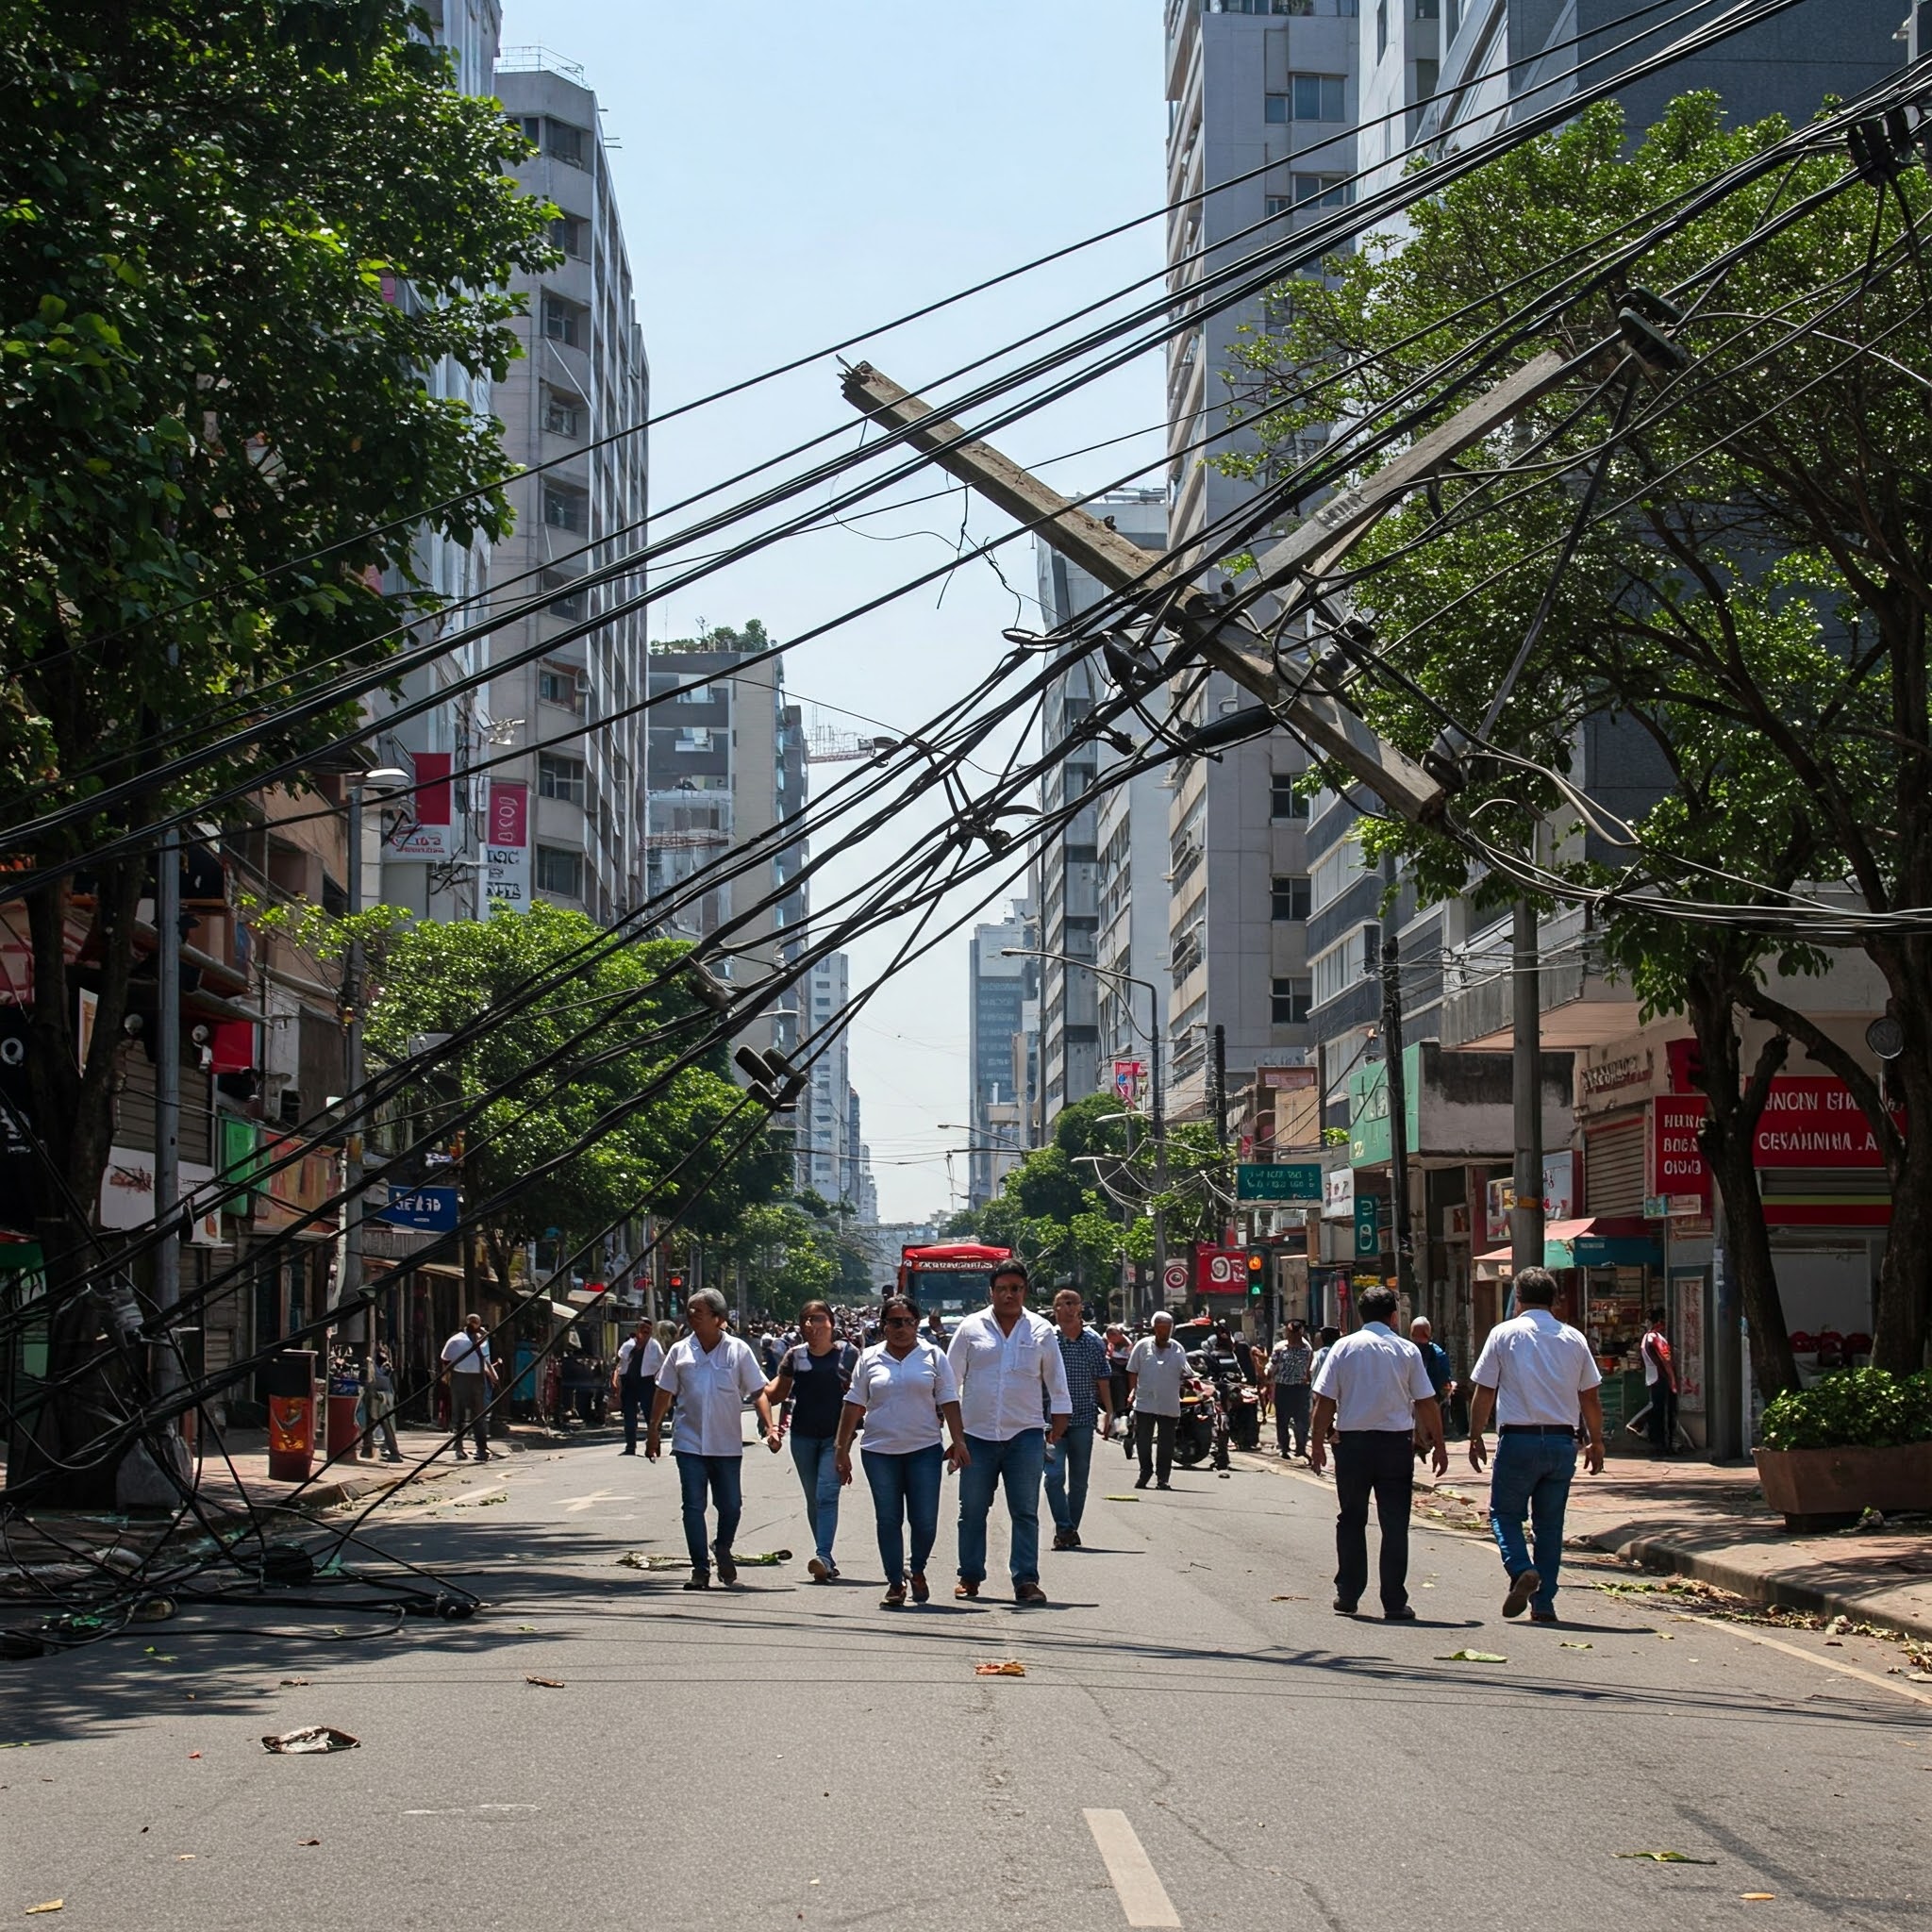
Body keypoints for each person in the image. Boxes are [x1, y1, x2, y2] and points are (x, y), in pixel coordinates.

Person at [1467, 1266, 1606, 1624]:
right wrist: (1597, 1441)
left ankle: (1520, 1569)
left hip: (1518, 1440)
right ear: (1554, 1300)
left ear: (1518, 1299)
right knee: (1550, 1526)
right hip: (1562, 1443)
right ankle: (1543, 1604)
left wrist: (1475, 1435)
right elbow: (1590, 1397)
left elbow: (1485, 1391)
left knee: (1504, 1514)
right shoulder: (1574, 1338)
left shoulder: (1503, 1334)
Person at [1309, 1286, 1447, 1621]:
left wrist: (1316, 1444)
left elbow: (1325, 1400)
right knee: (1395, 1524)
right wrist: (1440, 1445)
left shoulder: (1343, 1347)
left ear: (1360, 1315)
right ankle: (1394, 1601)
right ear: (1393, 1316)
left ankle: (1348, 1594)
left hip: (1352, 1446)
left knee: (1351, 1518)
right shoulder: (1407, 1350)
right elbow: (1426, 1402)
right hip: (1395, 1447)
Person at [946, 1261, 1071, 1604]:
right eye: (1002, 1288)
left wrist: (1061, 1416)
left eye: (1015, 1288)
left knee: (1025, 1510)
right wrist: (951, 1430)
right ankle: (970, 1575)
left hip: (1025, 1434)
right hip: (977, 1436)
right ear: (991, 1292)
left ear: (1024, 1291)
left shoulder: (1041, 1330)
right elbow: (949, 1380)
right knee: (972, 1510)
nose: (1009, 1294)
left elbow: (1055, 1378)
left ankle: (1026, 1580)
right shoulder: (970, 1328)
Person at [837, 1295, 970, 1607]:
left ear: (916, 1324)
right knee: (888, 1519)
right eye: (894, 1322)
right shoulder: (869, 1358)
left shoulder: (933, 1355)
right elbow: (853, 1403)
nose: (901, 1328)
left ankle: (917, 1568)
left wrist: (959, 1440)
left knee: (925, 1521)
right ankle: (895, 1582)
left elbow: (949, 1399)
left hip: (924, 1449)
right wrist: (840, 1448)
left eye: (908, 1322)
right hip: (879, 1451)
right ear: (883, 1326)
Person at [646, 1290, 780, 1590]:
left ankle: (722, 1546)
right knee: (693, 1506)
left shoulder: (738, 1351)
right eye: (690, 1310)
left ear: (718, 1319)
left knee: (731, 1506)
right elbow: (664, 1391)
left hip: (726, 1444)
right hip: (688, 1442)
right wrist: (653, 1430)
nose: (691, 1315)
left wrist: (770, 1427)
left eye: (699, 1311)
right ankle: (700, 1569)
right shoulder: (680, 1351)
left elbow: (758, 1391)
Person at [764, 1300, 858, 1582]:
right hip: (803, 1436)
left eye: (817, 1319)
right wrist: (757, 1393)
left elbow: (860, 1395)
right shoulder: (794, 1356)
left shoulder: (848, 1354)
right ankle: (826, 1559)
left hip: (835, 1438)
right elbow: (776, 1394)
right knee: (813, 1498)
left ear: (831, 1323)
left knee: (826, 1494)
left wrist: (849, 1439)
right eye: (805, 1320)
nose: (811, 1325)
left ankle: (823, 1556)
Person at [1044, 1289, 1113, 1550]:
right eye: (1064, 1303)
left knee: (1079, 1481)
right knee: (1053, 1477)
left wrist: (1109, 1412)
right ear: (1055, 1309)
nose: (1070, 1308)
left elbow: (1102, 1378)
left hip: (1084, 1419)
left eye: (1074, 1303)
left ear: (1081, 1307)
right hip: (1052, 1420)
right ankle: (1064, 1527)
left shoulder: (1093, 1342)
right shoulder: (1047, 1340)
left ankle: (1068, 1531)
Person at [1125, 1310, 1187, 1491]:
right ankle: (1145, 1471)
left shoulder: (1178, 1349)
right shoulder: (1142, 1346)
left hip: (1169, 1403)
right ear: (1154, 1329)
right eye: (1160, 1328)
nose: (1164, 1332)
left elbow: (1185, 1372)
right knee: (1143, 1440)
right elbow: (1132, 1371)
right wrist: (1132, 1391)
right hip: (1145, 1401)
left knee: (1166, 1443)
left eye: (1167, 1328)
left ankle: (1163, 1478)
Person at [440, 1314, 498, 1462]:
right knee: (458, 1416)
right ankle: (459, 1448)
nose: (475, 1325)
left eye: (477, 1322)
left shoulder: (483, 1341)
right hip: (460, 1378)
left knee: (478, 1416)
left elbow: (485, 1360)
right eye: (472, 1322)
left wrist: (493, 1376)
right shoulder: (456, 1340)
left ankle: (481, 1449)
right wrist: (446, 1376)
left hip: (477, 1379)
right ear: (467, 1323)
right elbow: (445, 1359)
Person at [611, 1319, 664, 1456]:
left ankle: (655, 1444)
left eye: (647, 1328)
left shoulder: (654, 1346)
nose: (645, 1330)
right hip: (628, 1383)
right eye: (642, 1327)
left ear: (651, 1330)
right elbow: (620, 1363)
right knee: (629, 1415)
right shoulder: (629, 1345)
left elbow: (661, 1365)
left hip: (647, 1383)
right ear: (637, 1330)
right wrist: (616, 1381)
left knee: (650, 1415)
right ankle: (630, 1446)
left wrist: (658, 1383)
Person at [1268, 1321, 1314, 1459]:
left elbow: (1309, 1368)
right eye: (1290, 1333)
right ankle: (1284, 1447)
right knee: (1282, 1420)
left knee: (1302, 1421)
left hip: (1300, 1389)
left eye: (1295, 1333)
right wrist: (1268, 1377)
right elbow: (1272, 1365)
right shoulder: (1280, 1348)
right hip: (1283, 1388)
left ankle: (1301, 1447)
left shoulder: (1307, 1349)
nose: (1292, 1336)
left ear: (1301, 1333)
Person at [1641, 1307, 1678, 1457]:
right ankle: (1665, 1444)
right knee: (1665, 1413)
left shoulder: (1647, 1337)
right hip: (1661, 1379)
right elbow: (1665, 1360)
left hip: (1653, 1378)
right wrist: (1673, 1380)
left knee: (1657, 1412)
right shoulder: (1655, 1338)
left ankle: (1658, 1443)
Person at [1410, 1317, 1457, 1438]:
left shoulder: (1438, 1355)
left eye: (1421, 1336)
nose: (1417, 1340)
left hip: (1431, 1400)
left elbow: (1444, 1383)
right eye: (1415, 1336)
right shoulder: (1408, 1352)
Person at [363, 1344, 403, 1462]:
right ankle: (367, 1449)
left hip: (382, 1397)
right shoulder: (372, 1364)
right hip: (377, 1396)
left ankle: (394, 1453)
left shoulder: (383, 1367)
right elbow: (371, 1381)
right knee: (372, 1424)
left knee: (385, 1424)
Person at [1104, 1324, 1132, 1438]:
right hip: (1111, 1376)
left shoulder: (1127, 1345)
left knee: (1120, 1402)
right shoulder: (1108, 1341)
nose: (1111, 1339)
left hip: (1122, 1376)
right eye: (1109, 1337)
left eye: (1113, 1336)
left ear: (1119, 1335)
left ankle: (1119, 1425)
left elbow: (1126, 1360)